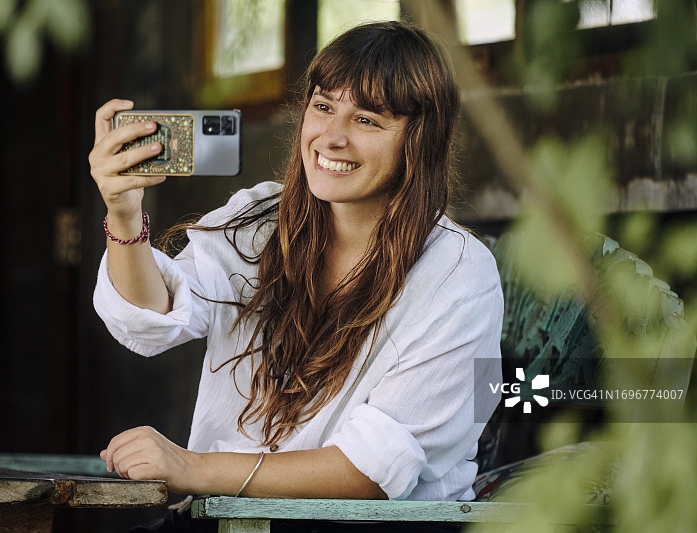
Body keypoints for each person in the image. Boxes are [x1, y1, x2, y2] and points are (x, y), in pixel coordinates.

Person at [90, 19, 502, 530]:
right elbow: (154, 316)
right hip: (236, 520)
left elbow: (372, 471)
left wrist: (190, 466)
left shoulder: (459, 272)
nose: (331, 137)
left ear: (419, 140)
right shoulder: (263, 219)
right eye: (323, 107)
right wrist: (124, 215)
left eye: (367, 120)